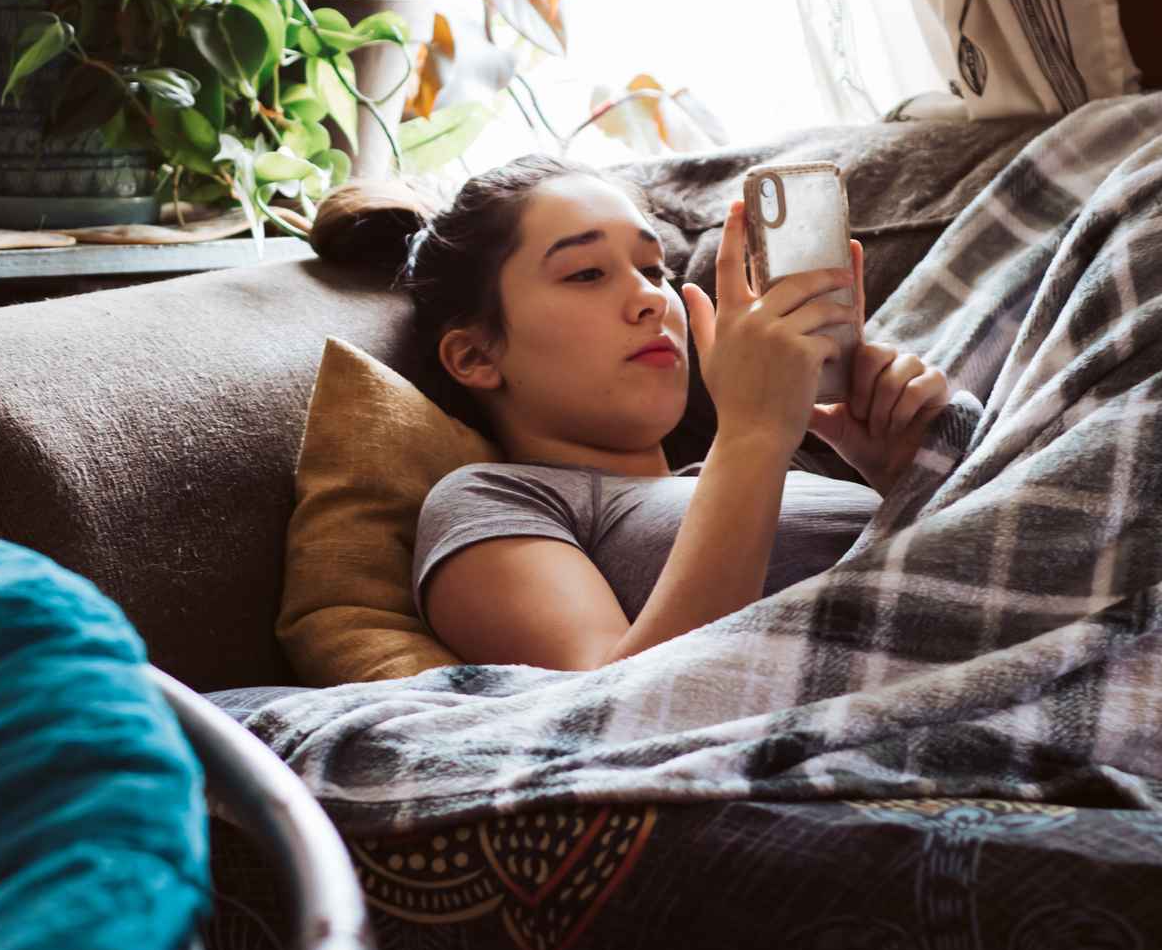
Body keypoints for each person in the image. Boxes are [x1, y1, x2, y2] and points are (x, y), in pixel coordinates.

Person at [309, 156, 953, 672]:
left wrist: (904, 469)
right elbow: (616, 707)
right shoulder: (495, 499)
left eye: (654, 269)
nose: (650, 298)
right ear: (477, 354)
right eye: (587, 273)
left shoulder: (799, 453)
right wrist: (753, 436)